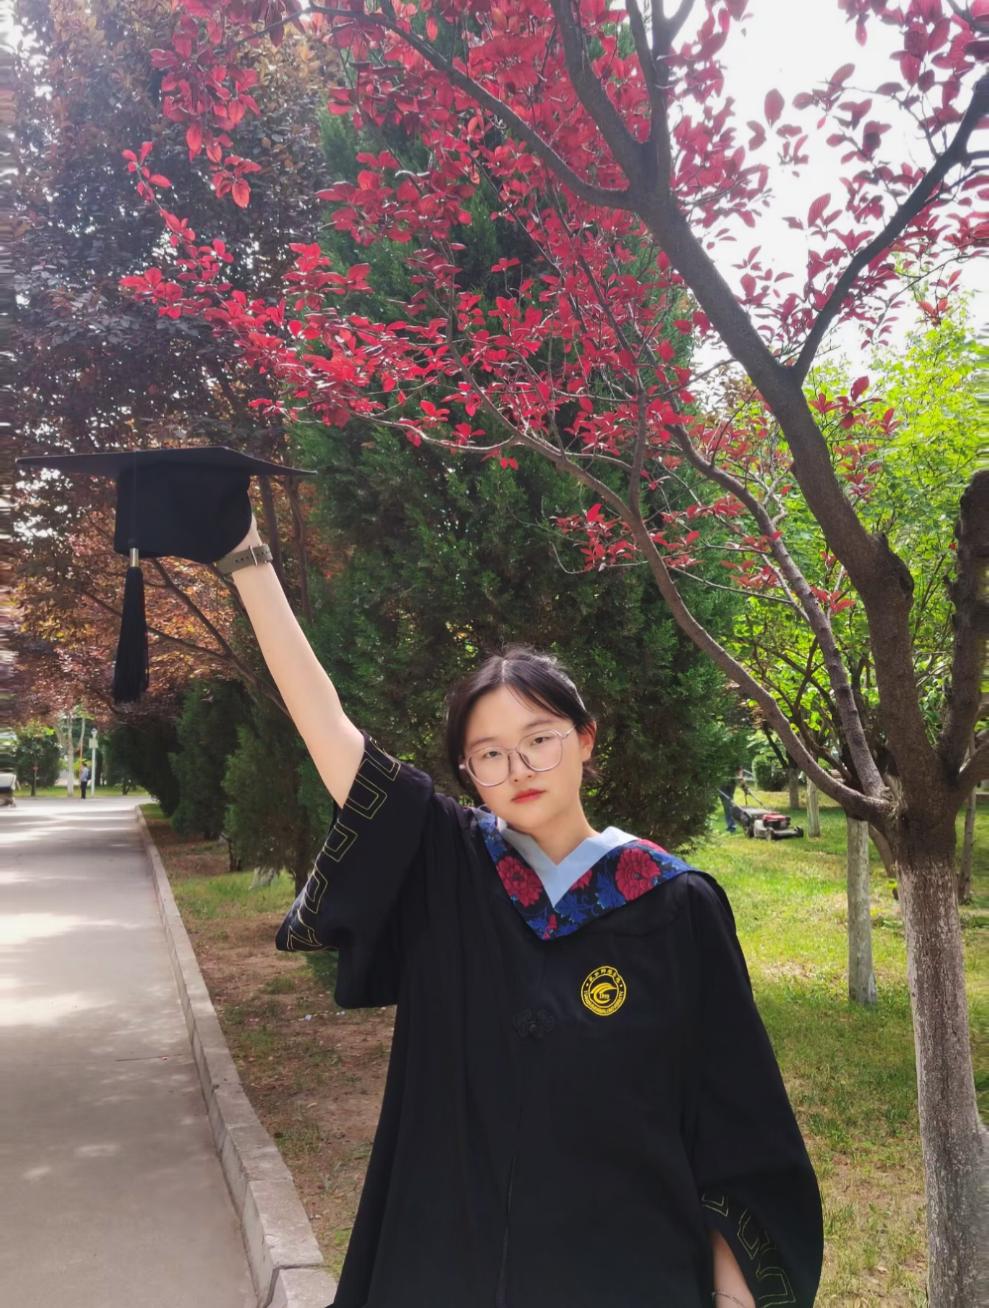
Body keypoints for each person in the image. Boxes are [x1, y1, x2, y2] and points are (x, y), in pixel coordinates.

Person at [224, 509, 824, 1308]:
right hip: (448, 1261)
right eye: (489, 754)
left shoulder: (672, 904)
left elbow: (735, 1113)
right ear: (468, 774)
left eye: (540, 739)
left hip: (625, 1271)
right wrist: (248, 559)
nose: (518, 767)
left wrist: (733, 1294)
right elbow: (333, 736)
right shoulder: (449, 870)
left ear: (585, 739)